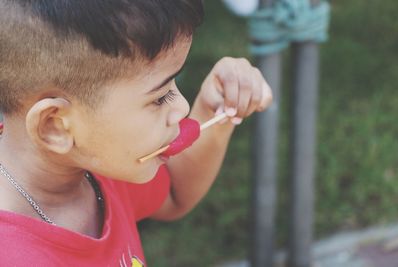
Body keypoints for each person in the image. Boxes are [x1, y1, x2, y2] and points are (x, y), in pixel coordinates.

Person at [0, 0, 272, 266]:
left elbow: (174, 192)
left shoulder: (96, 158)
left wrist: (215, 112)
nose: (182, 107)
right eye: (159, 98)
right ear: (54, 126)